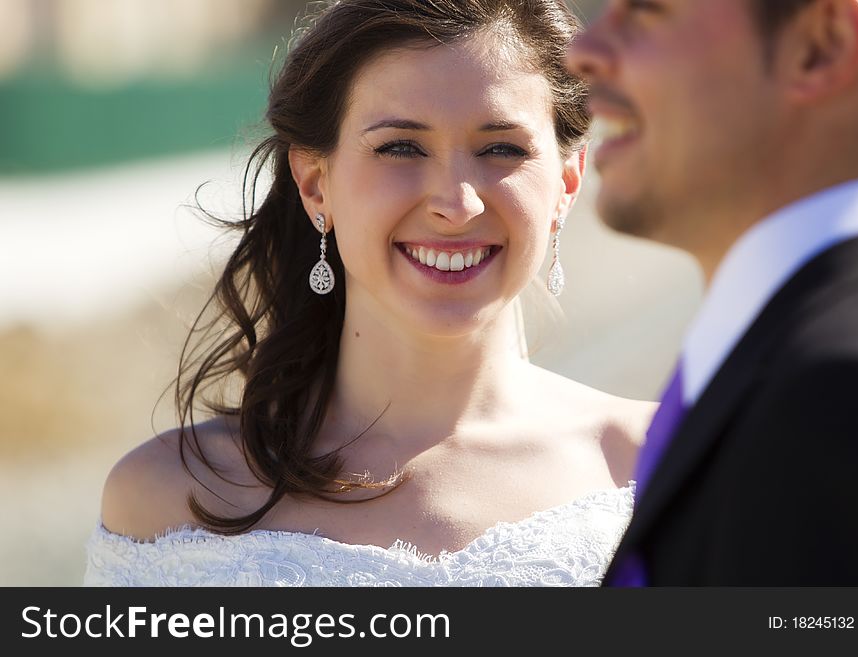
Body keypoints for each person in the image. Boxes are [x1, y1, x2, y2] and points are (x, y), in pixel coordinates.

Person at [83, 0, 654, 587]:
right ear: (314, 183)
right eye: (401, 147)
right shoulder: (165, 501)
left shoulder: (659, 466)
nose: (456, 205)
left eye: (501, 148)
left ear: (567, 181)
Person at [568, 0, 858, 585]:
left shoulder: (847, 388)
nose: (581, 52)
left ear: (821, 46)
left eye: (642, 12)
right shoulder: (781, 358)